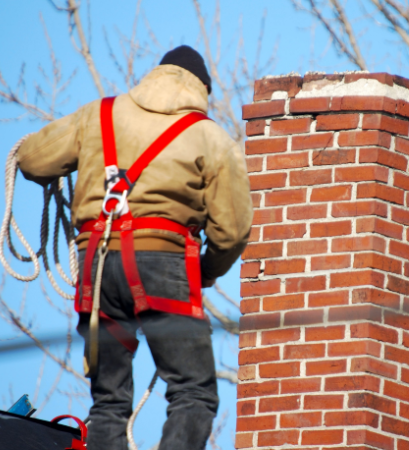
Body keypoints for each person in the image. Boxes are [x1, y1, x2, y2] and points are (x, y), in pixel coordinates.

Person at [17, 45, 253, 450]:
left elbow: (32, 160)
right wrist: (209, 270)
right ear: (201, 90)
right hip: (163, 264)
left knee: (108, 401)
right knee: (193, 391)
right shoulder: (210, 136)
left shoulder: (98, 114)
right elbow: (231, 232)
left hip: (97, 263)